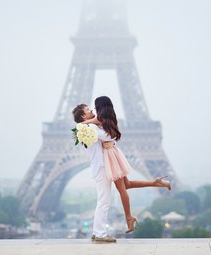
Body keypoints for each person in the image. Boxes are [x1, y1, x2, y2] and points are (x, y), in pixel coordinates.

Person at [82, 96, 171, 234]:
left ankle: (129, 217)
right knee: (127, 185)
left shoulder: (98, 120)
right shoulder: (108, 119)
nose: (92, 109)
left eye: (94, 106)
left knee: (122, 189)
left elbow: (93, 123)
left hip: (110, 156)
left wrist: (84, 121)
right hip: (114, 153)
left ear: (100, 107)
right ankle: (156, 182)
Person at [72, 104, 116, 243]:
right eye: (88, 110)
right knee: (104, 202)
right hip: (101, 167)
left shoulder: (85, 128)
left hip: (98, 167)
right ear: (83, 116)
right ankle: (100, 234)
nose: (91, 110)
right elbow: (111, 136)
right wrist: (94, 121)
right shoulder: (91, 127)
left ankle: (97, 232)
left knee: (102, 201)